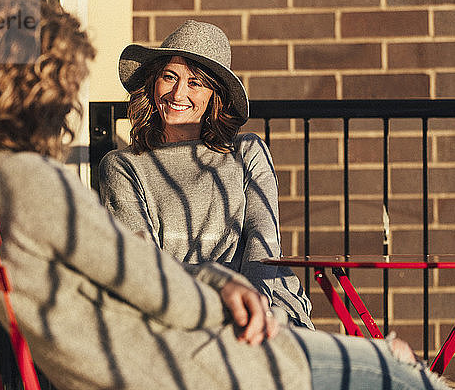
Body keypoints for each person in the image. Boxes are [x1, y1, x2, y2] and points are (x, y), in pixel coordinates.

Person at [0, 0, 452, 390]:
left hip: (157, 354)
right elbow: (155, 290)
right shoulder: (32, 184)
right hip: (182, 362)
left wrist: (249, 302)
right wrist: (227, 292)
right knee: (404, 376)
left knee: (387, 363)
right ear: (33, 88)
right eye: (63, 81)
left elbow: (139, 279)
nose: (68, 100)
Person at [99, 20, 313, 329]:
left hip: (264, 304)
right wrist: (220, 295)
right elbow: (143, 262)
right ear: (153, 82)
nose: (177, 93)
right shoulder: (122, 165)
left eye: (195, 83)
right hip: (178, 312)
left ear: (215, 95)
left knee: (377, 363)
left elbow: (262, 241)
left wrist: (255, 305)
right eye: (168, 77)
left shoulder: (247, 151)